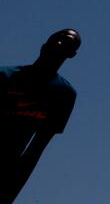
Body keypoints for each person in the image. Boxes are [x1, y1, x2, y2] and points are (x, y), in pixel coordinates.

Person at [0, 29, 82, 204]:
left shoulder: (63, 95)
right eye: (56, 39)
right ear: (44, 45)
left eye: (67, 42)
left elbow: (36, 149)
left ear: (72, 54)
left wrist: (11, 193)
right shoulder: (4, 76)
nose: (59, 44)